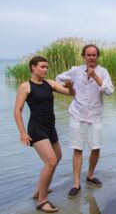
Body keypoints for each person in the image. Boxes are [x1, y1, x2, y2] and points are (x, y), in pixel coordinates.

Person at [14, 56, 75, 213]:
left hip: (50, 127)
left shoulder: (50, 83)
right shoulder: (25, 86)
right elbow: (17, 111)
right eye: (42, 67)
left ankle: (40, 190)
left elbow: (69, 93)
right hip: (36, 128)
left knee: (57, 157)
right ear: (33, 68)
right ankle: (42, 201)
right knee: (51, 162)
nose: (45, 69)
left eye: (46, 67)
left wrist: (71, 87)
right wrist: (22, 132)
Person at [55, 44, 114, 198]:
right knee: (77, 149)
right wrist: (66, 86)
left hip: (95, 116)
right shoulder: (75, 71)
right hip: (77, 114)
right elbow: (57, 79)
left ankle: (90, 174)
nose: (91, 58)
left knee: (96, 148)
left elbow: (109, 91)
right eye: (88, 55)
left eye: (94, 55)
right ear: (84, 56)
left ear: (97, 56)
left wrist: (95, 77)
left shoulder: (103, 72)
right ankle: (76, 183)